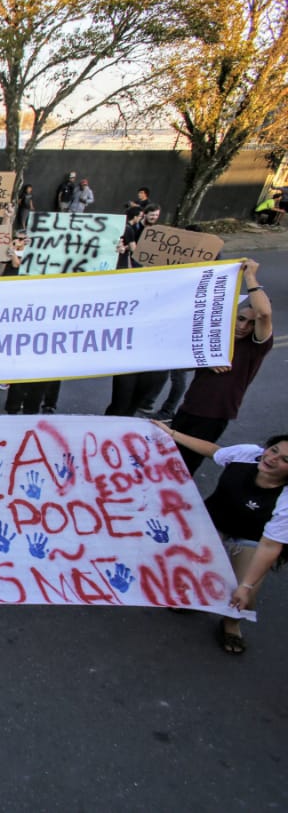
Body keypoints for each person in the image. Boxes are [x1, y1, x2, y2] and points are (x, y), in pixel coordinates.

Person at [153, 423, 288, 655]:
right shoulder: (247, 454)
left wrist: (246, 586)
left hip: (251, 537)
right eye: (274, 450)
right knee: (191, 563)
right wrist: (172, 434)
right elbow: (213, 451)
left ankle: (231, 623)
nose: (273, 458)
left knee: (246, 590)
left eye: (285, 460)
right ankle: (193, 597)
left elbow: (269, 546)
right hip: (213, 522)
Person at [170, 260, 273, 473]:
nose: (244, 326)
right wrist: (206, 361)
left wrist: (250, 277)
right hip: (189, 407)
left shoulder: (256, 345)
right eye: (241, 318)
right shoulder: (216, 338)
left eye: (251, 323)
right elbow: (180, 362)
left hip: (213, 415)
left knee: (184, 467)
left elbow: (264, 313)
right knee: (167, 458)